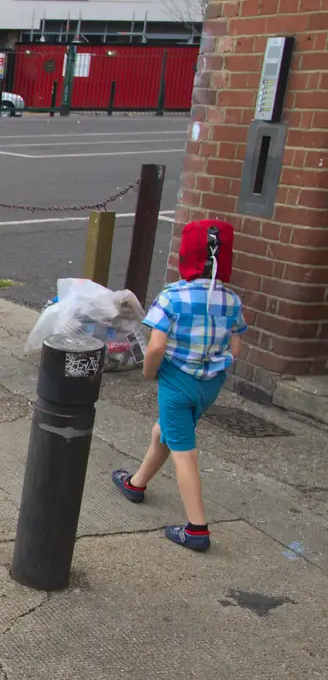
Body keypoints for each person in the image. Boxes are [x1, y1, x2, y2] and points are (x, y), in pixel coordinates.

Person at [112, 220, 246, 552]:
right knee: (165, 432)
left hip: (176, 381)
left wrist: (148, 372)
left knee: (184, 453)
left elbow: (156, 346)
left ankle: (197, 529)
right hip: (210, 384)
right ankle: (136, 484)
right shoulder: (231, 300)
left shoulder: (172, 296)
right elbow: (236, 349)